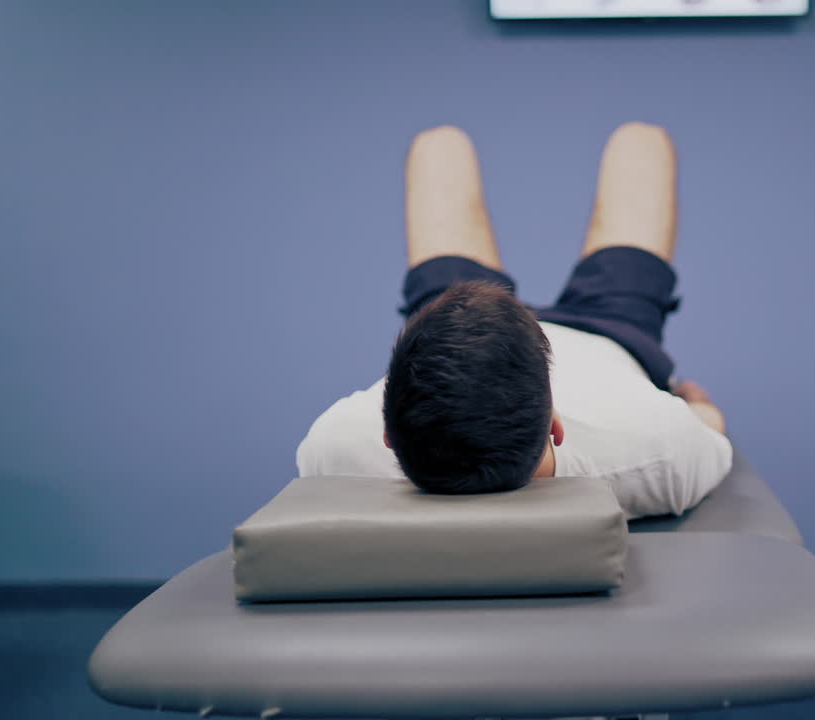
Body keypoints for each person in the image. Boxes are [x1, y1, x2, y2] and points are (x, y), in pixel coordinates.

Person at [296, 122, 731, 518]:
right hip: (608, 332)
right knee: (642, 141)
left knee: (438, 146)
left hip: (458, 337)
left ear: (387, 434)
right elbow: (707, 426)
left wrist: (692, 411)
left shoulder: (335, 450)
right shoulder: (652, 454)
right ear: (557, 426)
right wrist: (695, 402)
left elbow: (700, 428)